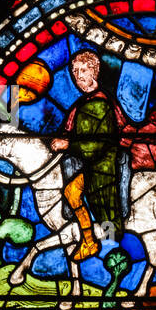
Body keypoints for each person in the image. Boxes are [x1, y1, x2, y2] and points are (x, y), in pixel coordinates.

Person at [51, 50, 122, 262]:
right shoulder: (83, 103)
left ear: (95, 72)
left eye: (83, 70)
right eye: (74, 71)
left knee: (72, 192)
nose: (78, 76)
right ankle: (89, 239)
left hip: (102, 166)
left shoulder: (101, 103)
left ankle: (93, 240)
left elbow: (99, 143)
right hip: (88, 164)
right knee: (70, 191)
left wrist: (68, 144)